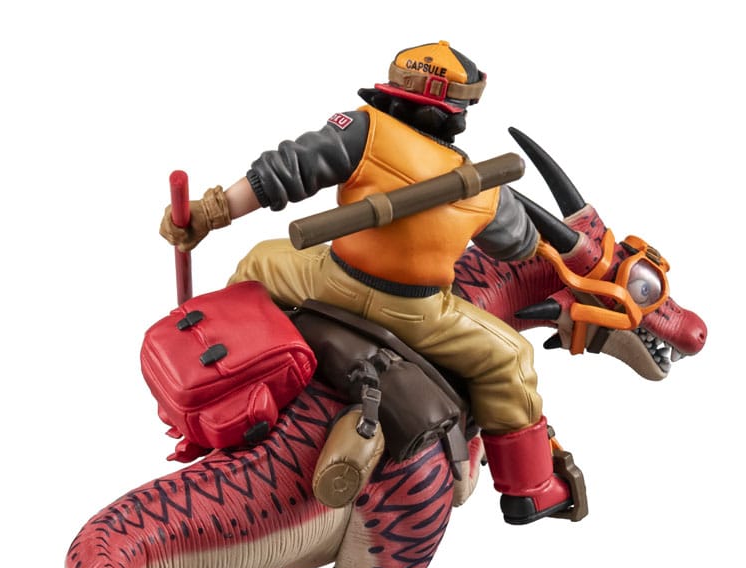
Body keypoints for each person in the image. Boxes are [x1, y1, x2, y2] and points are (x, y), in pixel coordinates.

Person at [159, 41, 580, 524]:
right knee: (511, 360)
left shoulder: (363, 129)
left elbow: (285, 170)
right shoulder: (486, 188)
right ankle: (530, 489)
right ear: (456, 111)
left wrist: (213, 211)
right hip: (418, 313)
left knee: (258, 262)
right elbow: (518, 246)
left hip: (330, 280)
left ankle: (221, 374)